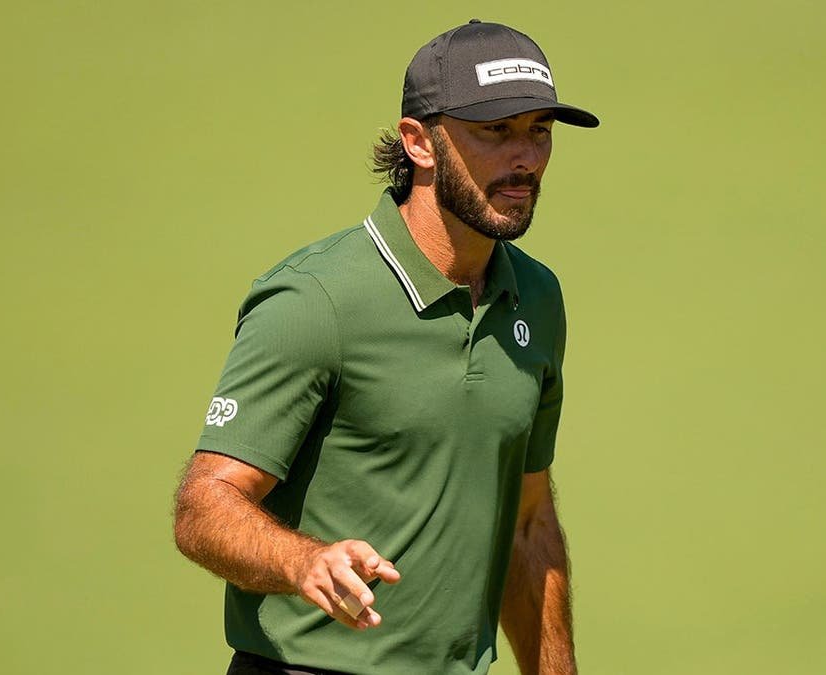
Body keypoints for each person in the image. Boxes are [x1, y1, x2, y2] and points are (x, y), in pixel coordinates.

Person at [173, 19, 599, 675]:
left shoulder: (536, 299)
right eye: (495, 131)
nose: (527, 158)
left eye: (539, 129)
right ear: (419, 142)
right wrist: (305, 560)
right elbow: (204, 505)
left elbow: (528, 523)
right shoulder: (317, 300)